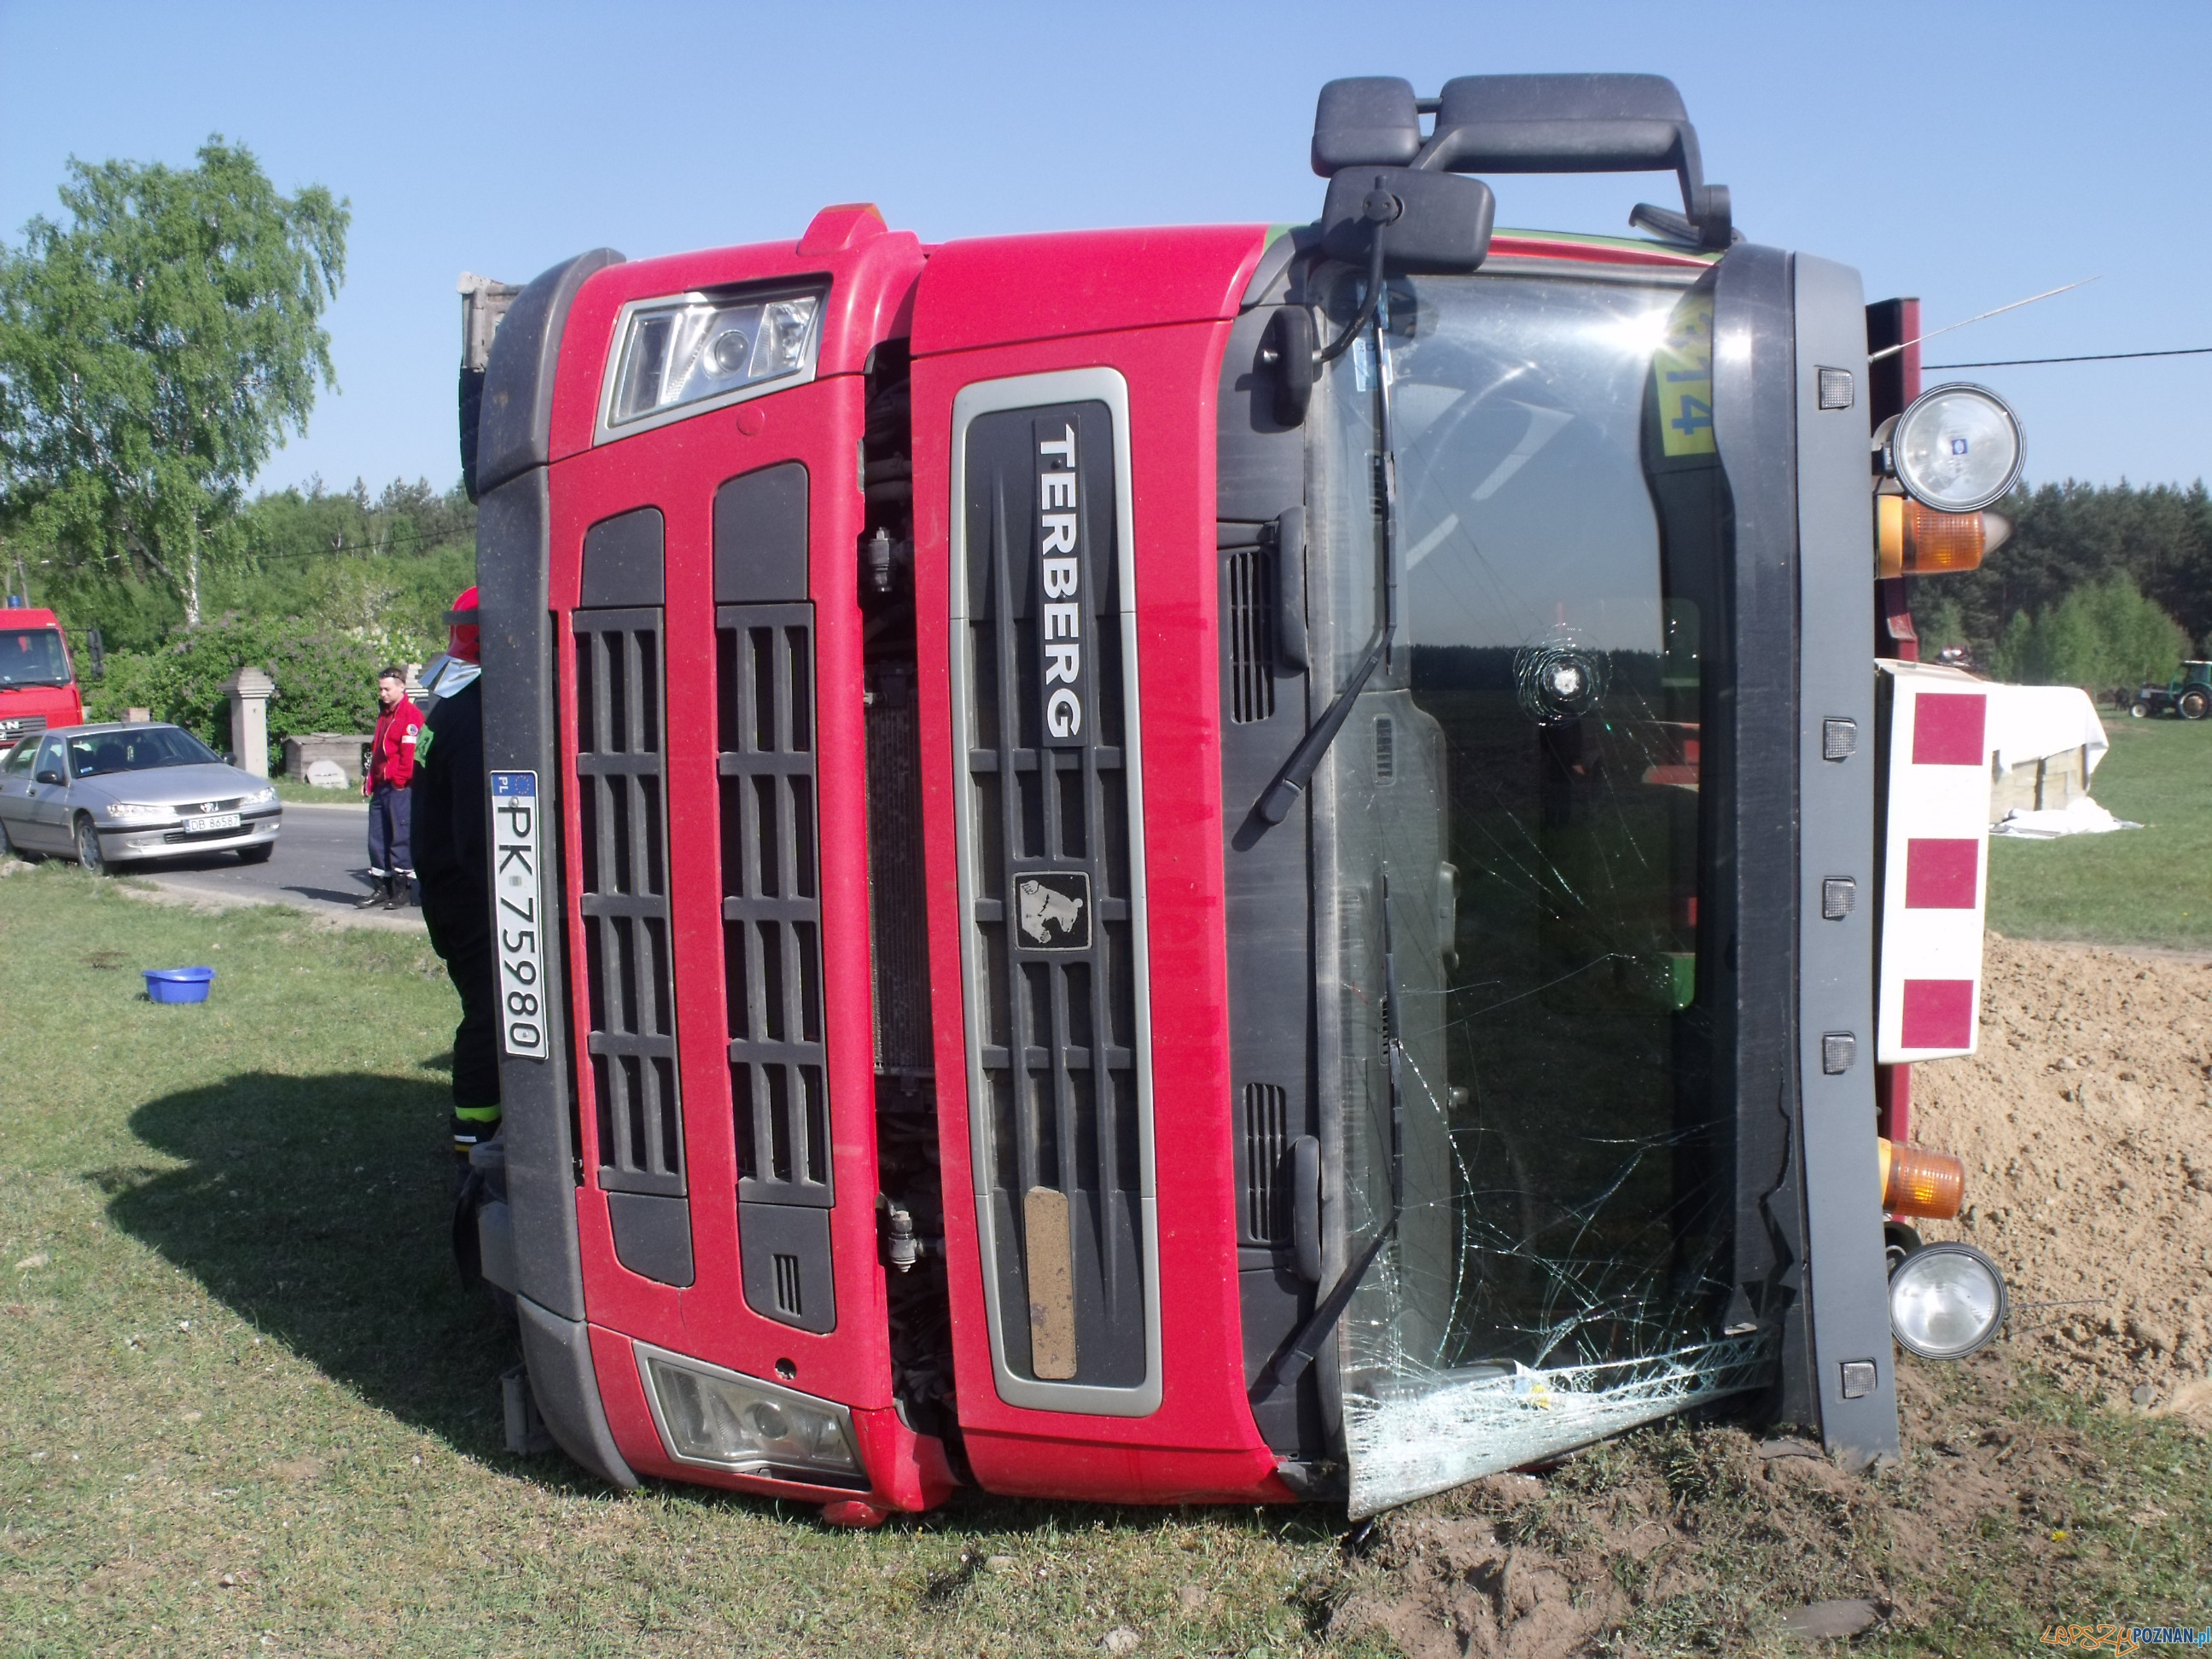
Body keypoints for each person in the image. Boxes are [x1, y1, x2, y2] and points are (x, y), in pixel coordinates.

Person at [411, 587, 501, 1163]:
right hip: (470, 901)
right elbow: (476, 838)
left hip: (451, 895)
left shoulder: (455, 705)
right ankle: (474, 1141)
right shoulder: (474, 716)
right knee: (493, 1014)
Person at [360, 667, 423, 909]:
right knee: (377, 839)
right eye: (380, 689)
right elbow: (378, 750)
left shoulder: (410, 715)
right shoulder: (385, 714)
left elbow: (409, 755)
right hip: (381, 787)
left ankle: (402, 890)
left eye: (387, 689)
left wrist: (399, 782)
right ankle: (382, 888)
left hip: (399, 788)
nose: (383, 694)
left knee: (400, 839)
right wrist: (370, 780)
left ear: (401, 687)